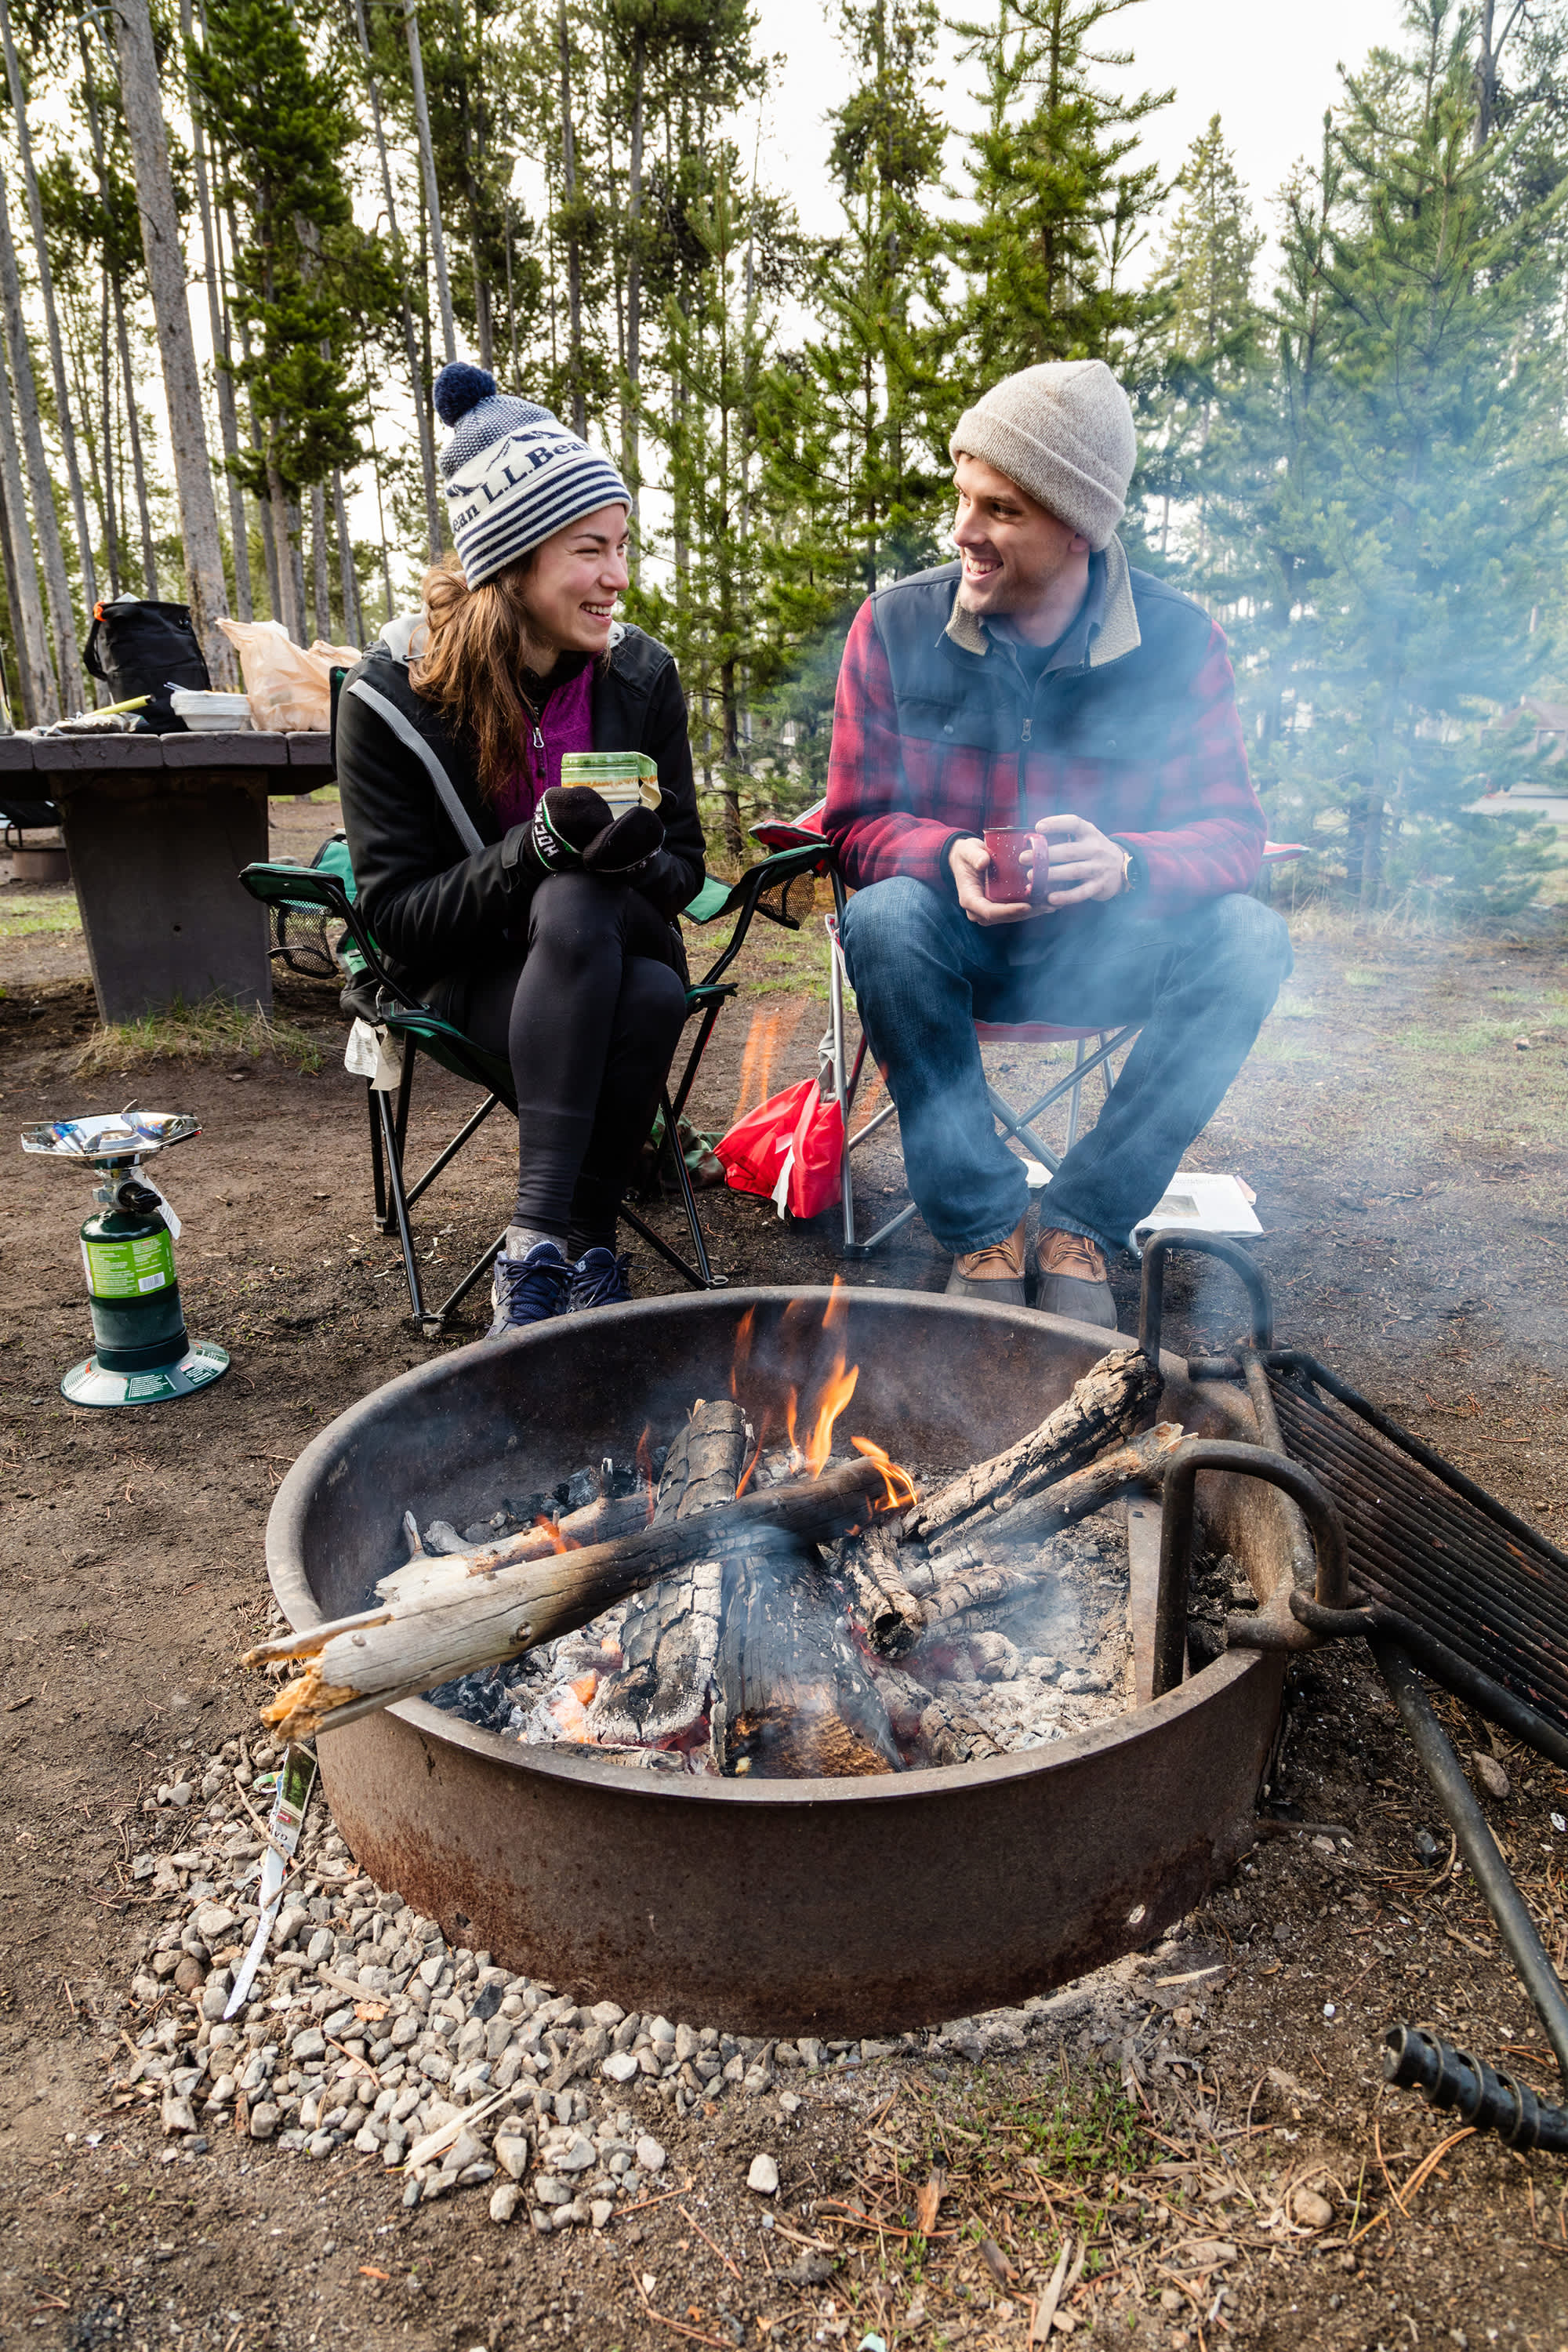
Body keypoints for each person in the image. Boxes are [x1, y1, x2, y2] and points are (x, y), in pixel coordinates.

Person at [825, 359, 1291, 1328]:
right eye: (961, 498)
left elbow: (1234, 835)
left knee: (1249, 937)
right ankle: (984, 1232)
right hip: (950, 950)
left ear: (1076, 526)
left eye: (999, 510)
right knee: (883, 914)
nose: (963, 532)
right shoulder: (894, 627)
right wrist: (941, 852)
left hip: (1108, 952)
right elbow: (851, 825)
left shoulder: (1176, 642)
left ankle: (1083, 1223)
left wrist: (1132, 862)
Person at [336, 361, 706, 1336]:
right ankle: (582, 1243)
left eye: (622, 548)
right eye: (592, 550)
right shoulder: (388, 699)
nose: (618, 578)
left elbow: (686, 875)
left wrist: (629, 861)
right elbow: (396, 919)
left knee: (595, 912)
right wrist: (531, 849)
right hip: (463, 975)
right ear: (513, 558)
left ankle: (532, 1244)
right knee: (648, 988)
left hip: (617, 939)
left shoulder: (641, 677)